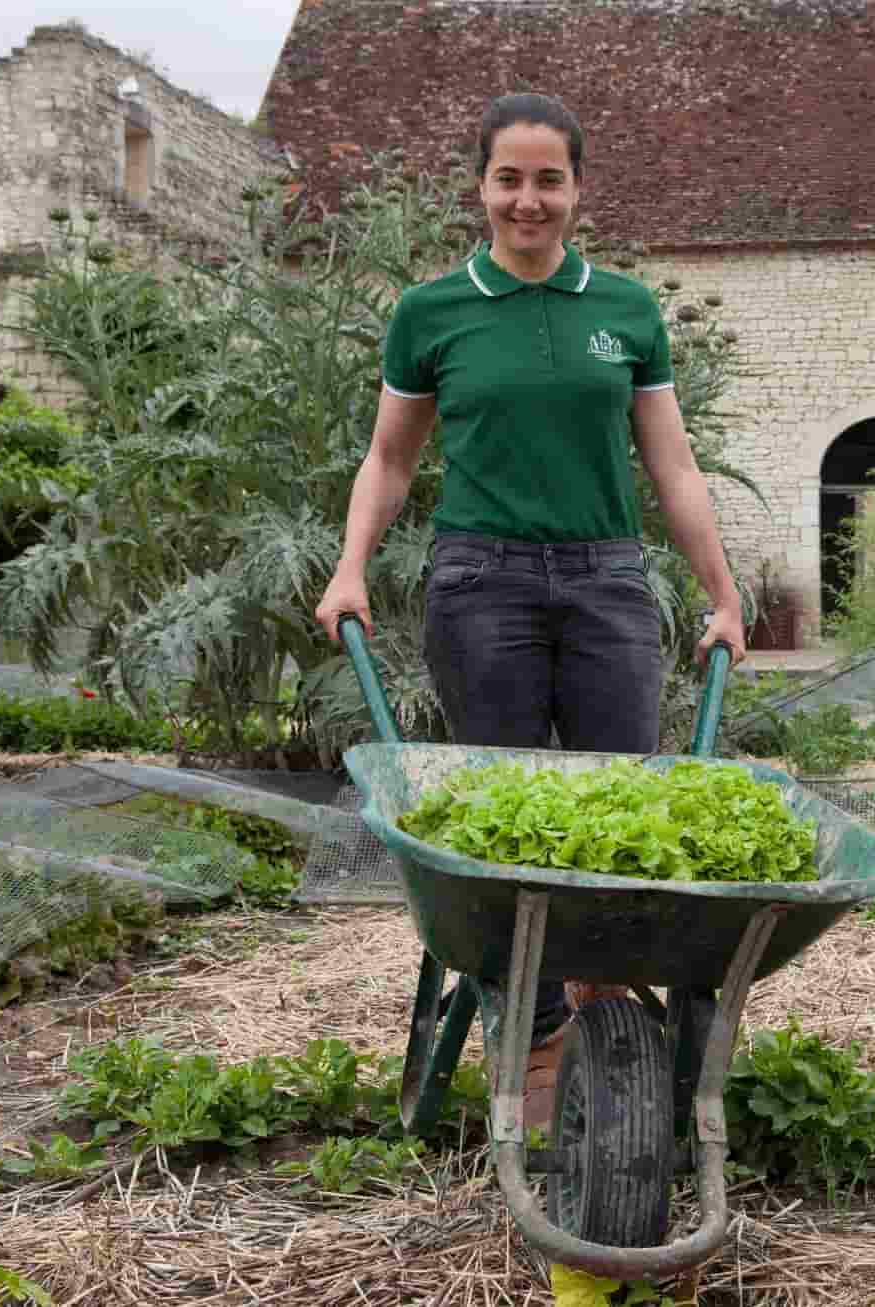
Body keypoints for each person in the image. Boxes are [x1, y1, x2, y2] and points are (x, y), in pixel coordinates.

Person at [314, 91, 747, 1128]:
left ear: (577, 188)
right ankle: (541, 1028)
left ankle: (609, 1012)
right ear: (480, 186)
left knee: (616, 807)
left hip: (606, 580)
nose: (528, 199)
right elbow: (390, 457)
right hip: (481, 580)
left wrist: (724, 591)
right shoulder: (431, 312)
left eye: (548, 178)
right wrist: (349, 566)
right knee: (500, 816)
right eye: (509, 178)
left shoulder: (626, 312)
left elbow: (671, 462)